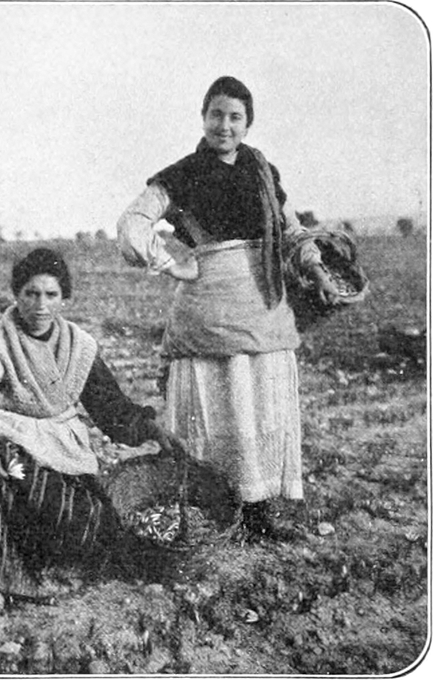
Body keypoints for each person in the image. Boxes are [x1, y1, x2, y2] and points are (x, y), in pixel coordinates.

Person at [117, 76, 340, 542]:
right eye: (216, 114)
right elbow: (132, 223)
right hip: (209, 313)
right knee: (220, 412)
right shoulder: (181, 174)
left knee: (257, 411)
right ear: (203, 118)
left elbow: (292, 231)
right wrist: (168, 262)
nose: (225, 125)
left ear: (247, 124)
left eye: (235, 117)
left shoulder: (263, 171)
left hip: (264, 307)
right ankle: (211, 515)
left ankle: (257, 514)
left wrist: (317, 271)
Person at [0, 247, 182, 613]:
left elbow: (110, 408)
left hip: (60, 450)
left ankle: (40, 563)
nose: (40, 305)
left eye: (51, 295)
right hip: (6, 439)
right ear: (16, 294)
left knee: (89, 521)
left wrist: (150, 429)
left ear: (63, 298)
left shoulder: (78, 345)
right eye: (31, 293)